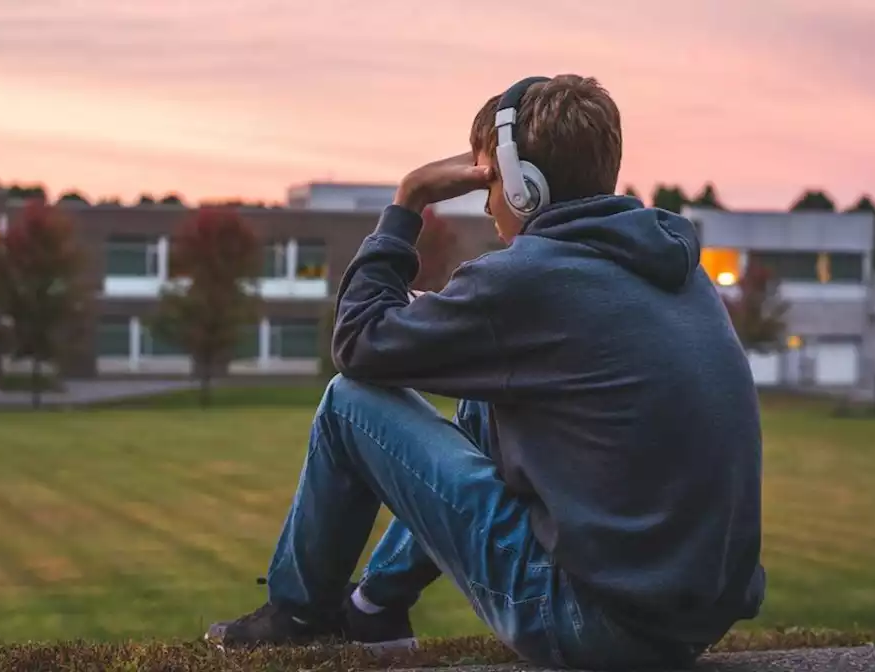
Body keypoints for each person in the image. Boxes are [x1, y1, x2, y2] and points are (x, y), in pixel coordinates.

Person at [204, 74, 765, 670]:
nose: (487, 201)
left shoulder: (528, 278)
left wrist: (410, 198)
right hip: (685, 623)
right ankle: (375, 606)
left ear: (525, 187)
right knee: (486, 399)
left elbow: (357, 343)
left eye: (488, 181)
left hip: (590, 626)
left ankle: (295, 618)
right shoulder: (675, 268)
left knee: (349, 403)